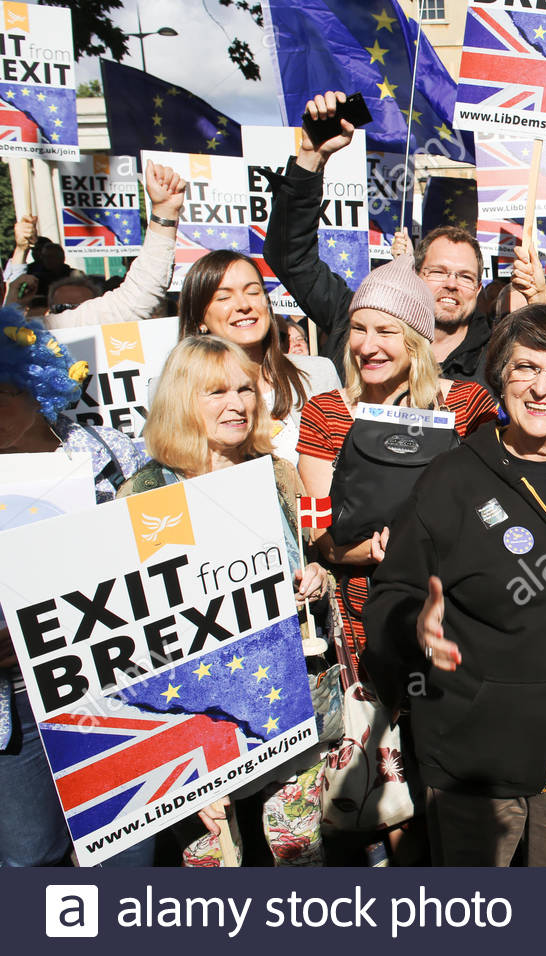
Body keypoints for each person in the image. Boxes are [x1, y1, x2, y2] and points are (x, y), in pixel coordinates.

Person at [364, 304, 546, 866]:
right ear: (500, 379)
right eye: (525, 368)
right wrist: (413, 628)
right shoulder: (453, 478)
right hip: (475, 763)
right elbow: (391, 597)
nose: (542, 388)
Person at [118, 335, 330, 866]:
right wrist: (186, 760)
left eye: (244, 389)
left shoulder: (277, 474)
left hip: (286, 703)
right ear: (180, 401)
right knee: (215, 871)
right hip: (195, 720)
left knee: (298, 854)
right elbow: (139, 635)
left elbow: (303, 558)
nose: (236, 404)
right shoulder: (144, 495)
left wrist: (317, 578)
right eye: (215, 392)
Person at [297, 256, 497, 673]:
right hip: (361, 615)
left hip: (452, 615)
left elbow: (491, 507)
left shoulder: (469, 404)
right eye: (358, 329)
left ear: (416, 339)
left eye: (386, 331)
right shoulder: (324, 412)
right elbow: (318, 532)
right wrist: (374, 551)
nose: (367, 346)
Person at [0, 309, 146, 867]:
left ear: (37, 383)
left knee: (125, 838)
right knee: (31, 856)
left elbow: (169, 545)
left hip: (112, 680)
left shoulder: (112, 455)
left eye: (6, 390)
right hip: (13, 699)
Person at [264, 91, 494, 387]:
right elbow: (290, 258)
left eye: (464, 276)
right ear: (415, 274)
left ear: (477, 288)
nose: (451, 283)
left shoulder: (498, 361)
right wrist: (311, 158)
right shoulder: (357, 326)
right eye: (437, 272)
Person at [179, 250, 340, 465]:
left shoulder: (318, 374)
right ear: (200, 319)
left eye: (253, 292)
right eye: (224, 297)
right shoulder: (180, 389)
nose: (244, 305)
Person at [28, 162, 189, 331]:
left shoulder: (26, 332)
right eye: (62, 307)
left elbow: (135, 302)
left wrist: (164, 211)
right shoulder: (17, 336)